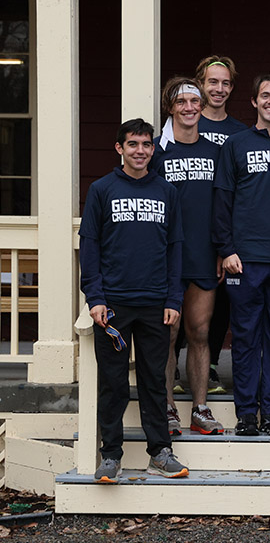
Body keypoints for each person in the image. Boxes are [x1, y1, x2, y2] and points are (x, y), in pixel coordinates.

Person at [79, 118, 189, 483]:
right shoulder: (102, 189)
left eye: (146, 144)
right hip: (113, 306)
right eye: (133, 144)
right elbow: (90, 245)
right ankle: (110, 456)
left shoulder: (167, 192)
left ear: (152, 149)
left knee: (154, 381)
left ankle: (160, 452)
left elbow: (176, 249)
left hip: (156, 304)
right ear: (119, 148)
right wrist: (94, 296)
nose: (140, 150)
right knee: (112, 384)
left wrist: (174, 297)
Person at [213, 75, 270, 437]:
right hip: (244, 258)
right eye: (264, 95)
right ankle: (246, 413)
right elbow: (222, 201)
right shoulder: (236, 145)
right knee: (246, 336)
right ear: (253, 102)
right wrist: (227, 249)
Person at [153, 77, 224, 436]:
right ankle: (166, 407)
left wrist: (221, 249)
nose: (189, 108)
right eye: (181, 102)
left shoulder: (215, 151)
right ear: (170, 107)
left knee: (200, 331)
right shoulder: (156, 151)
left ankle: (200, 407)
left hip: (202, 254)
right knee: (168, 333)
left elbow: (223, 206)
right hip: (167, 257)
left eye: (194, 101)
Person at [194, 55, 248, 395]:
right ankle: (175, 367)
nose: (219, 88)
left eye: (226, 83)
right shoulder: (183, 123)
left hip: (228, 228)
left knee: (223, 302)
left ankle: (209, 367)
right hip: (192, 228)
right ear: (201, 84)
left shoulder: (239, 133)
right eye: (213, 82)